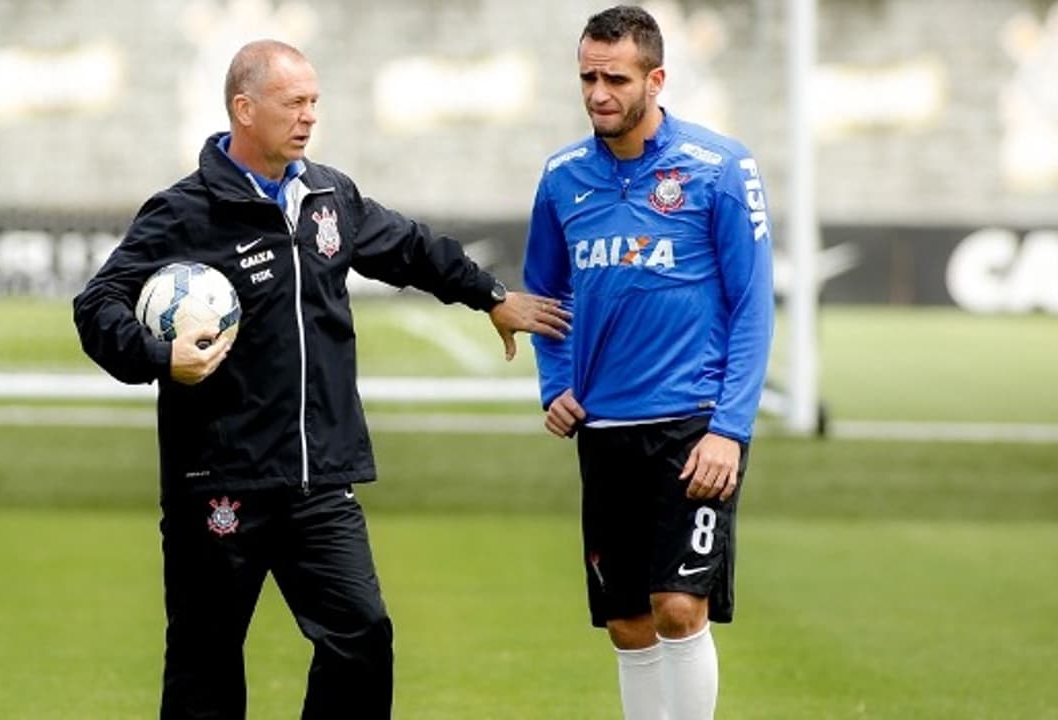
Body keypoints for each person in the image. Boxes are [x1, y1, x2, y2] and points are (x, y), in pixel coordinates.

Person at [73, 39, 570, 720]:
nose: (309, 117)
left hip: (318, 484)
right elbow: (97, 304)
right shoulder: (184, 213)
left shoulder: (328, 195)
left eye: (314, 102)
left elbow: (408, 247)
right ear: (244, 110)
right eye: (293, 103)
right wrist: (162, 358)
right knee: (205, 665)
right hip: (220, 485)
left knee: (362, 638)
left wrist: (488, 294)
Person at [522, 6, 774, 720]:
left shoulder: (721, 168)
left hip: (692, 429)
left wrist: (730, 426)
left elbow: (754, 304)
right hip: (603, 430)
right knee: (627, 620)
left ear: (656, 79)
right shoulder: (562, 177)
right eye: (588, 77)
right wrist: (555, 382)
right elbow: (543, 292)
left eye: (616, 78)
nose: (599, 92)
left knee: (678, 606)